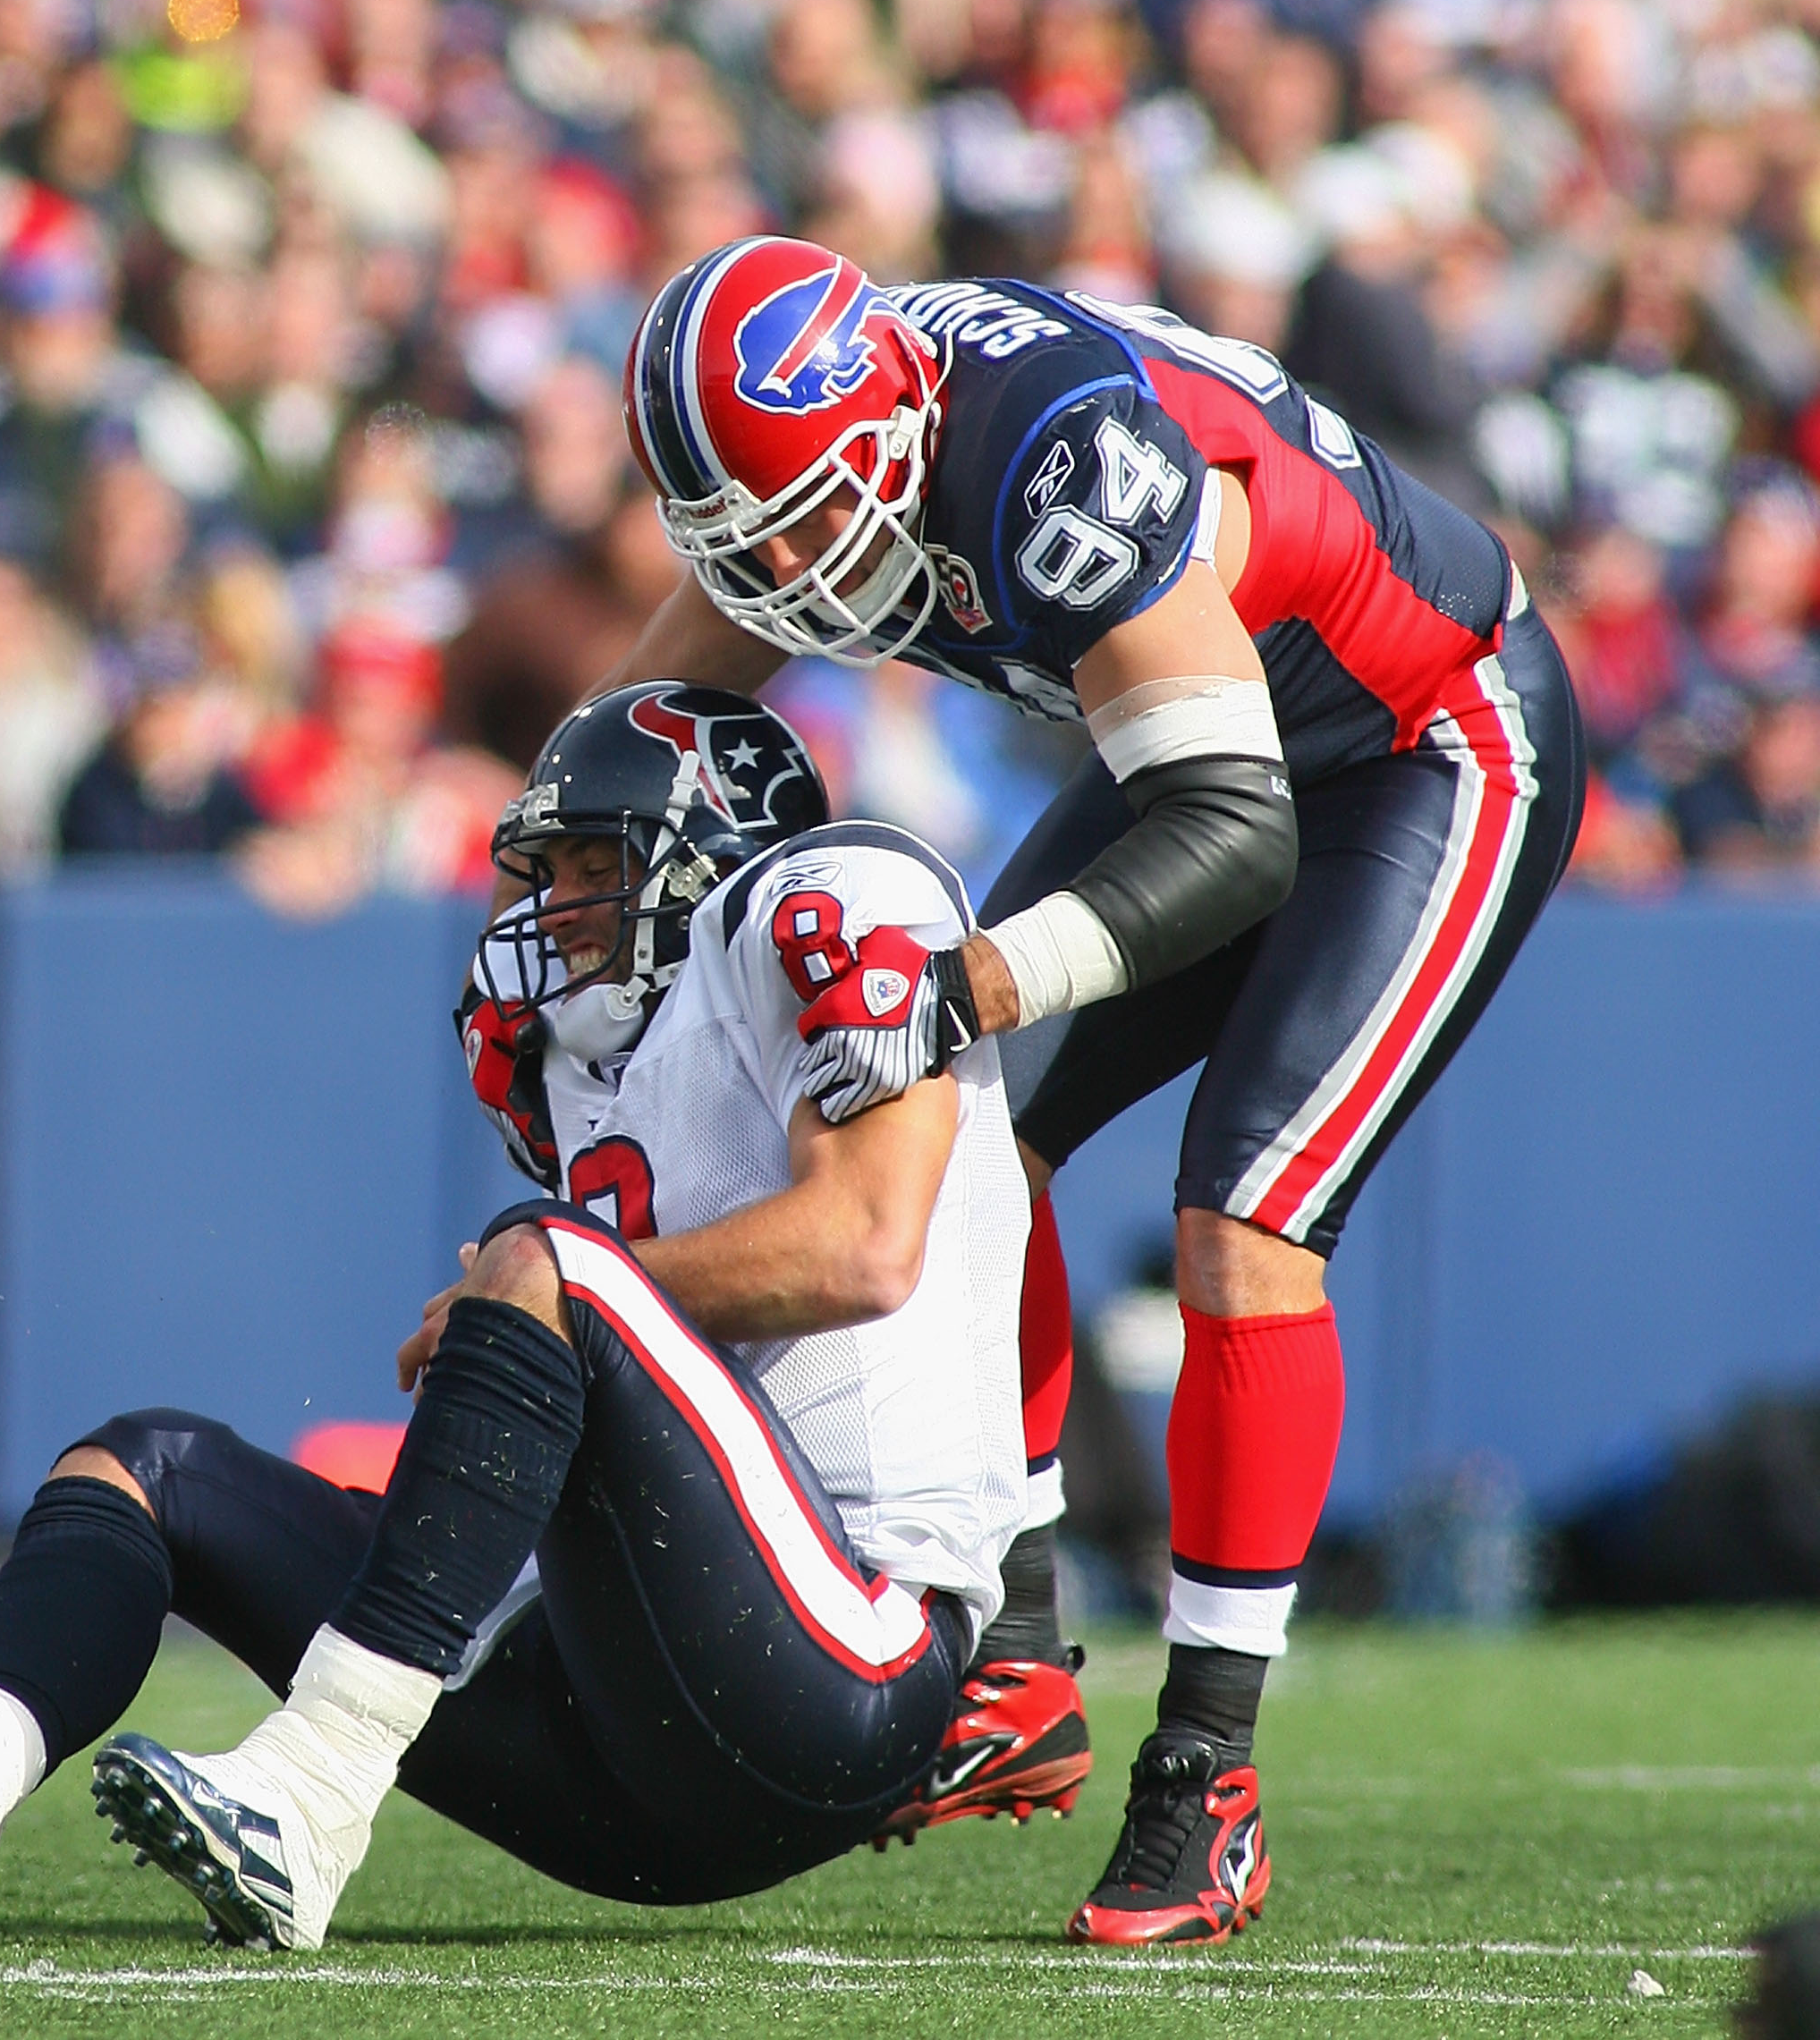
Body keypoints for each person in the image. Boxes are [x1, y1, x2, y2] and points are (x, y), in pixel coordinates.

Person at [0, 681, 1028, 1949]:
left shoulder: (836, 896)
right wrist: (540, 1303)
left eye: (595, 867)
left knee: (541, 1252)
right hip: (621, 1742)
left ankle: (313, 1791)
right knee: (149, 1469)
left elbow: (865, 1246)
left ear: (716, 845)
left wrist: (547, 1289)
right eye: (545, 874)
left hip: (851, 1664)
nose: (557, 908)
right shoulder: (590, 1062)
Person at [605, 237, 1588, 1943]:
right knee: (977, 1144)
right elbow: (668, 691)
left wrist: (972, 982)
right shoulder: (826, 459)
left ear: (897, 424)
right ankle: (1015, 1658)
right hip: (1210, 739)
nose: (782, 566)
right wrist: (578, 841)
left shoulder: (1055, 459)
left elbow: (1230, 832)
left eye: (801, 515)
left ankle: (1208, 1775)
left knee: (1247, 1225)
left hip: (1422, 739)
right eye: (741, 535)